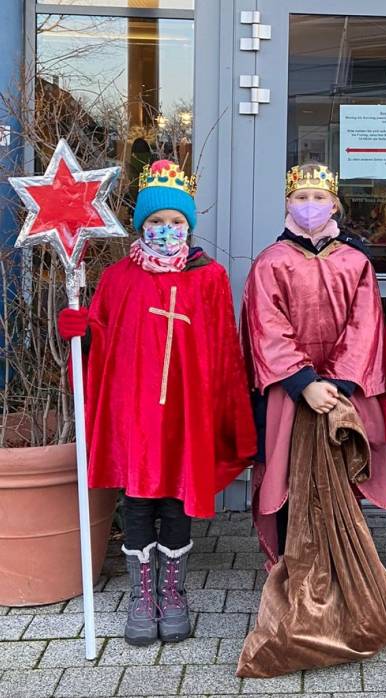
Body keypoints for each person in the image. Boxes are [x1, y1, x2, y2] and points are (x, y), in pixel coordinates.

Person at [57, 159, 257, 646]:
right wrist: (79, 334)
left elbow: (223, 353)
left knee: (176, 500)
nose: (166, 231)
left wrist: (223, 414)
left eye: (176, 223)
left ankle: (174, 593)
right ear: (140, 225)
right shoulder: (118, 279)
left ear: (188, 226)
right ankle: (141, 598)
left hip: (185, 414)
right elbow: (101, 346)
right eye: (156, 222)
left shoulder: (207, 279)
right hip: (137, 414)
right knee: (140, 499)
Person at [237, 162, 386, 676]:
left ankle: (340, 582)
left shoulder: (356, 262)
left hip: (342, 396)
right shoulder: (270, 262)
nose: (309, 204)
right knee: (287, 484)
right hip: (291, 395)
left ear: (334, 205)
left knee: (340, 484)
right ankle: (295, 587)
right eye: (300, 195)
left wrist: (341, 385)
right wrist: (305, 382)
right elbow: (265, 326)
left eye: (318, 196)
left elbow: (366, 323)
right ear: (288, 204)